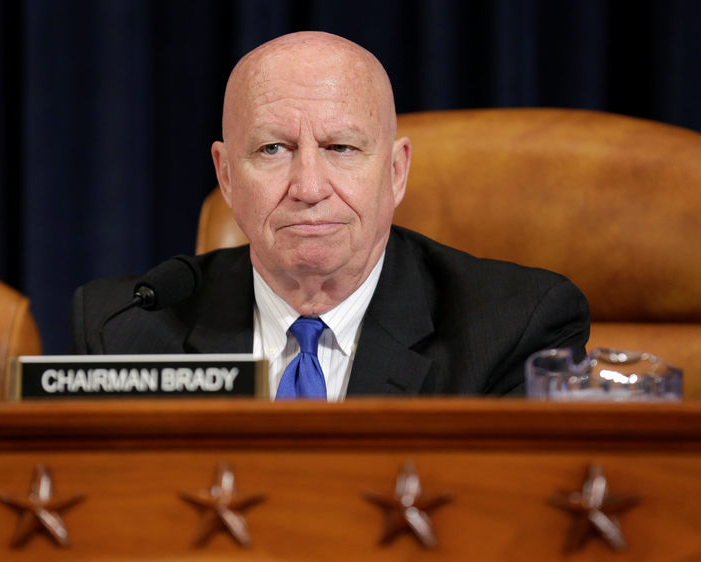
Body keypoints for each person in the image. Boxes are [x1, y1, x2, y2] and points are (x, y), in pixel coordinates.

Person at [71, 31, 590, 400]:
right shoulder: (125, 330)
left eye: (341, 147)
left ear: (395, 171)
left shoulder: (513, 329)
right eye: (273, 149)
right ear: (227, 176)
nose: (310, 187)